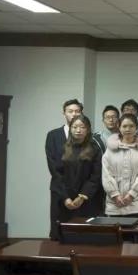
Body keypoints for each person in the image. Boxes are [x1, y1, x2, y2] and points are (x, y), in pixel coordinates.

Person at [51, 115, 103, 238]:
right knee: (64, 235)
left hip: (87, 199)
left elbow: (96, 175)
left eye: (82, 127)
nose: (78, 130)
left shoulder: (95, 148)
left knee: (86, 235)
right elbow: (57, 174)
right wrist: (66, 198)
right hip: (65, 199)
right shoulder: (63, 148)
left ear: (88, 129)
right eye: (74, 127)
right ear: (70, 129)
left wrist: (82, 196)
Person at [46, 98, 83, 239]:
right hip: (59, 189)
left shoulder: (87, 136)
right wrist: (65, 197)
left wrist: (81, 196)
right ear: (64, 113)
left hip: (80, 193)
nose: (74, 114)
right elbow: (53, 167)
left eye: (77, 111)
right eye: (70, 111)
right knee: (58, 232)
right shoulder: (53, 135)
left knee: (80, 233)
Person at [102, 114, 138, 217]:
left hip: (137, 204)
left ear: (137, 128)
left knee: (137, 228)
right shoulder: (110, 149)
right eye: (124, 126)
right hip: (115, 203)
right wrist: (115, 195)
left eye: (131, 126)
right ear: (119, 127)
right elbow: (106, 175)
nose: (128, 129)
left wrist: (132, 194)